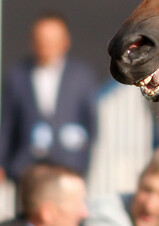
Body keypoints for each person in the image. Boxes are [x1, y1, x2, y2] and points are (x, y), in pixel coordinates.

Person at [0, 13, 98, 184]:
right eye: (41, 39)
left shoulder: (81, 76)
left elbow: (90, 122)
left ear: (65, 41)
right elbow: (7, 124)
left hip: (68, 166)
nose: (46, 45)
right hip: (26, 168)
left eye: (52, 39)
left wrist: (80, 154)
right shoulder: (17, 76)